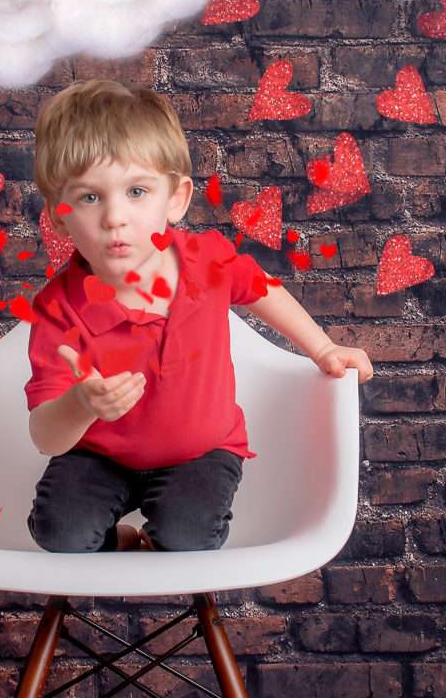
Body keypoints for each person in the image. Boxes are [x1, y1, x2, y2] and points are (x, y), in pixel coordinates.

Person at [25, 79, 373, 553]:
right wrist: (81, 405)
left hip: (201, 452)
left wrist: (322, 346)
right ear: (58, 215)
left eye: (137, 191)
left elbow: (262, 289)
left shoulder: (206, 260)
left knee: (187, 539)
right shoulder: (58, 309)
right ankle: (122, 541)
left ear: (176, 198)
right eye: (89, 197)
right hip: (99, 455)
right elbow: (46, 437)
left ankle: (161, 536)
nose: (114, 218)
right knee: (60, 533)